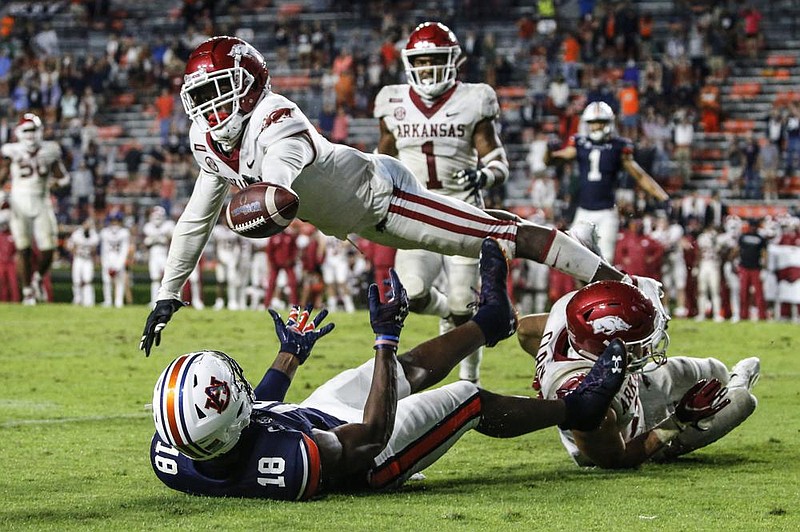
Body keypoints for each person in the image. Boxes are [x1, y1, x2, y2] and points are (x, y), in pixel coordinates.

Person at [139, 36, 635, 356]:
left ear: (251, 86)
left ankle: (623, 284)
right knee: (423, 290)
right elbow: (194, 219)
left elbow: (279, 180)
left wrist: (267, 200)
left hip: (385, 196)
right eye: (199, 97)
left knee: (496, 235)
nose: (208, 107)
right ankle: (468, 316)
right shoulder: (207, 140)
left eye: (218, 89)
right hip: (357, 219)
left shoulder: (276, 118)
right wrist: (167, 292)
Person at [149, 239, 627, 499]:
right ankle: (576, 410)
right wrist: (384, 336)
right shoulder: (287, 461)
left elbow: (248, 412)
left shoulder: (177, 448)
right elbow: (374, 435)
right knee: (466, 399)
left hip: (306, 420)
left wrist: (288, 357)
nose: (241, 387)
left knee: (404, 370)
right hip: (366, 457)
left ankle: (490, 321)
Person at [374, 22, 511, 384]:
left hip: (463, 214)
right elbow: (380, 160)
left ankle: (469, 381)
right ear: (409, 64)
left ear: (453, 60)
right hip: (416, 215)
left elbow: (496, 157)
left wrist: (486, 176)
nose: (429, 68)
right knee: (413, 293)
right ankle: (446, 312)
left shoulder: (473, 98)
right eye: (422, 61)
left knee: (463, 307)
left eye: (436, 59)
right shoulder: (393, 101)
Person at [517, 279, 759, 468]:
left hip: (630, 386)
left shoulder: (568, 313)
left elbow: (524, 330)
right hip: (628, 439)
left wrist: (545, 371)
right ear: (606, 344)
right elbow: (617, 460)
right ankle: (738, 385)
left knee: (714, 370)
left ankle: (725, 381)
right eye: (641, 341)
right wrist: (679, 420)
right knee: (742, 402)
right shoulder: (590, 403)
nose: (649, 347)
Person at [546, 101, 669, 262]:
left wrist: (662, 196)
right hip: (584, 211)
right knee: (574, 261)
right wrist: (549, 151)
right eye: (593, 123)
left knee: (605, 263)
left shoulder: (618, 146)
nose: (596, 127)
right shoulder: (580, 143)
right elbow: (551, 161)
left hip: (607, 213)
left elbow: (639, 175)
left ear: (608, 123)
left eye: (600, 122)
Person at [0, 112, 70, 305]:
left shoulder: (50, 150)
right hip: (18, 201)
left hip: (42, 200)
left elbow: (62, 176)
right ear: (19, 132)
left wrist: (59, 183)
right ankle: (28, 291)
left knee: (49, 247)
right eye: (27, 130)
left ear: (40, 131)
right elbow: (3, 173)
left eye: (34, 130)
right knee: (23, 248)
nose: (30, 135)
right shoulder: (11, 151)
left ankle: (38, 278)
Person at [143, 206, 175, 305]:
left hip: (165, 253)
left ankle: (169, 299)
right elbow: (147, 242)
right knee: (155, 278)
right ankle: (154, 300)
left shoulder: (168, 225)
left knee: (168, 278)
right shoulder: (148, 227)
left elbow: (173, 239)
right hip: (153, 255)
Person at [99, 211, 131, 308]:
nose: (114, 223)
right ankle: (108, 301)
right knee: (106, 281)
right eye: (112, 221)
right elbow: (103, 250)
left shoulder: (124, 233)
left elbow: (124, 250)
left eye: (116, 221)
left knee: (119, 281)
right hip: (108, 257)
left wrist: (118, 265)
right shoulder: (104, 232)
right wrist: (106, 263)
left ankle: (118, 301)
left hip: (118, 257)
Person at [67, 217, 99, 307]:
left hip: (88, 259)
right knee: (76, 280)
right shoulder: (77, 234)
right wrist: (75, 251)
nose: (87, 226)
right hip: (78, 258)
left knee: (87, 280)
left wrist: (92, 252)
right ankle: (77, 299)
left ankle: (88, 301)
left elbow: (95, 249)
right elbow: (69, 245)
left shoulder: (94, 235)